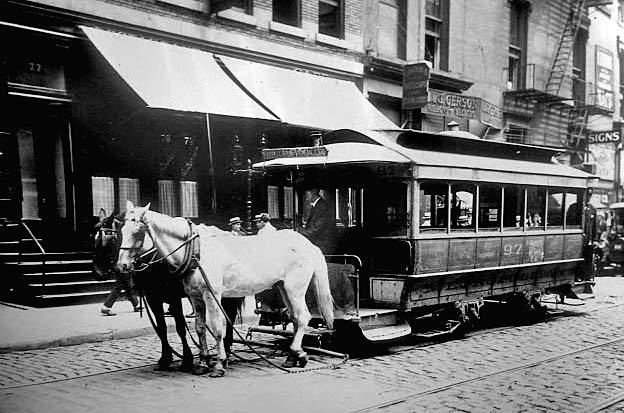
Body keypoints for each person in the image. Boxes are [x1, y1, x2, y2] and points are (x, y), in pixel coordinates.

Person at [99, 212, 141, 316]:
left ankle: (136, 304)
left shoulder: (116, 234)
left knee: (127, 284)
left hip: (118, 262)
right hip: (121, 262)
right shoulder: (121, 234)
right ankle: (106, 306)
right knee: (121, 285)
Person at [299, 188, 334, 254]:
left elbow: (316, 229)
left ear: (313, 193)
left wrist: (299, 231)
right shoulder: (317, 205)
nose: (306, 198)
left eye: (307, 194)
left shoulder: (323, 207)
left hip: (321, 246)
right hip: (316, 244)